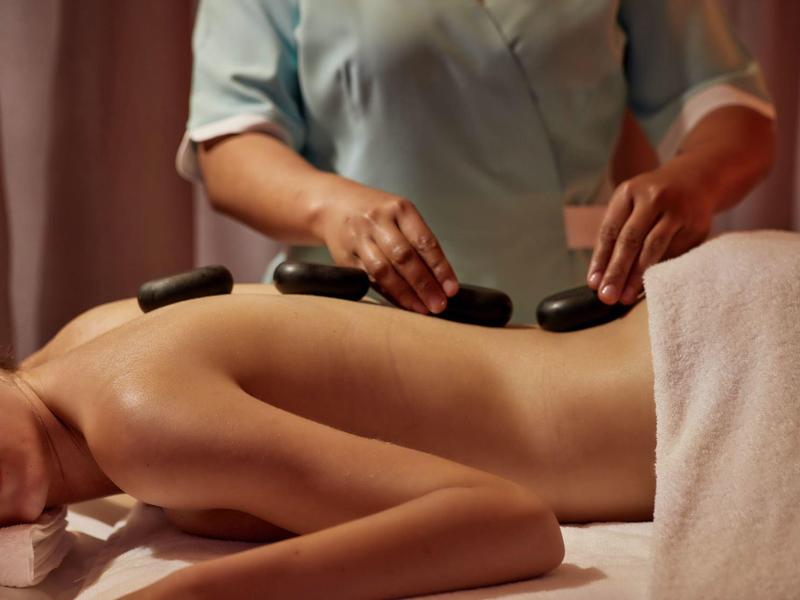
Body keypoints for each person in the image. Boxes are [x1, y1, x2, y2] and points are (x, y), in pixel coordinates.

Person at [4, 282, 655, 598]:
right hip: (643, 351)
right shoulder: (83, 341)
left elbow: (513, 524)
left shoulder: (135, 420)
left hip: (682, 380)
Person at [177, 1, 775, 322]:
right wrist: (330, 208)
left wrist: (694, 180)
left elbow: (730, 110)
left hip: (566, 323)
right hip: (349, 319)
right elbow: (231, 143)